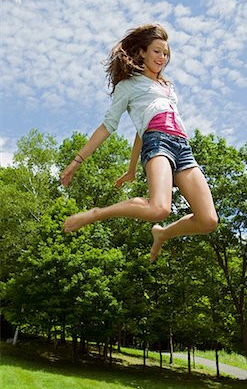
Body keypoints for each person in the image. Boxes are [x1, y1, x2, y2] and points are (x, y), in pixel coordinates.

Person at [61, 23, 218, 261]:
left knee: (208, 220)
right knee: (159, 208)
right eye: (156, 51)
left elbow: (139, 129)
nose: (162, 58)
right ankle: (95, 214)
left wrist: (131, 169)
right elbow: (107, 126)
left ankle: (163, 234)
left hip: (183, 148)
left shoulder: (168, 87)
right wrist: (76, 161)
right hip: (158, 144)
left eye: (165, 53)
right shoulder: (128, 86)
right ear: (142, 52)